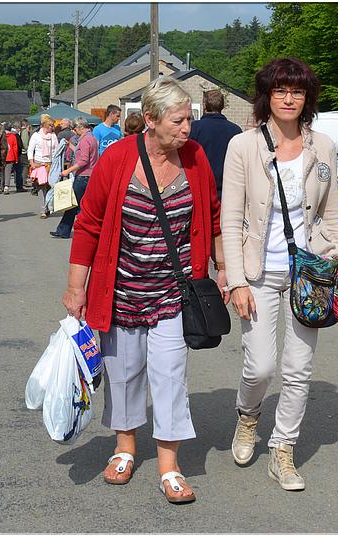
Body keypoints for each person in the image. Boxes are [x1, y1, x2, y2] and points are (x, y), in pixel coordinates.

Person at [62, 77, 227, 504]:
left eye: (189, 119)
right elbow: (89, 224)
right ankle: (125, 448)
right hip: (121, 290)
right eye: (178, 121)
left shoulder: (195, 157)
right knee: (124, 373)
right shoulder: (117, 158)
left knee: (170, 375)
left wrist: (223, 269)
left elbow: (212, 216)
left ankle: (170, 465)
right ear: (150, 120)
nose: (187, 128)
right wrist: (76, 288)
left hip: (174, 292)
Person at [221, 58, 338, 491]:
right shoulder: (243, 146)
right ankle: (248, 417)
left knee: (298, 368)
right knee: (260, 367)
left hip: (310, 273)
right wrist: (236, 281)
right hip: (258, 271)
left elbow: (331, 217)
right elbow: (230, 218)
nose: (289, 98)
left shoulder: (323, 147)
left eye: (297, 91)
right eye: (281, 90)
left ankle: (283, 449)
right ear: (267, 96)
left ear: (307, 97)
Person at [50, 117, 98, 239]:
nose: (74, 132)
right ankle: (65, 230)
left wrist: (67, 171)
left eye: (75, 129)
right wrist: (71, 146)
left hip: (83, 176)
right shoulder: (92, 138)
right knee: (80, 206)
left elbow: (83, 160)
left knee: (72, 204)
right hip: (89, 176)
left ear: (81, 127)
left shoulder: (85, 140)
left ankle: (65, 230)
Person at [189, 89, 242, 199]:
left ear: (204, 106)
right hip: (227, 191)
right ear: (222, 106)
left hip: (200, 189)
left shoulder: (194, 128)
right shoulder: (235, 130)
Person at [26, 114, 59, 218]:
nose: (52, 127)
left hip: (51, 164)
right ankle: (43, 210)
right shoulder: (36, 136)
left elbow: (56, 150)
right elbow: (30, 150)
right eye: (50, 125)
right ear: (44, 125)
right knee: (41, 187)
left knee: (50, 186)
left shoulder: (53, 136)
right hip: (39, 164)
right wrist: (32, 163)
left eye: (52, 126)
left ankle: (48, 206)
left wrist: (56, 163)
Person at [2, 122, 20, 195]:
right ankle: (6, 187)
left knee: (1, 172)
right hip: (10, 156)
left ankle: (0, 186)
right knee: (8, 172)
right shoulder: (13, 136)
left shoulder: (1, 136)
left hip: (2, 156)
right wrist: (16, 158)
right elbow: (15, 148)